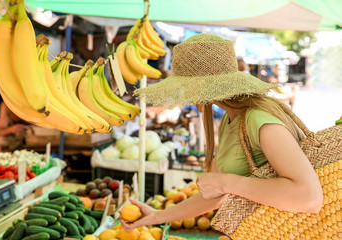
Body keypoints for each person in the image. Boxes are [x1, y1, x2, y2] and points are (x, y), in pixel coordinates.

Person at [124, 34, 323, 233]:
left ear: (202, 87)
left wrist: (229, 183)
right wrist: (157, 216)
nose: (186, 96)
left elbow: (309, 197)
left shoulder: (258, 119)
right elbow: (212, 196)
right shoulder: (231, 120)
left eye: (186, 88)